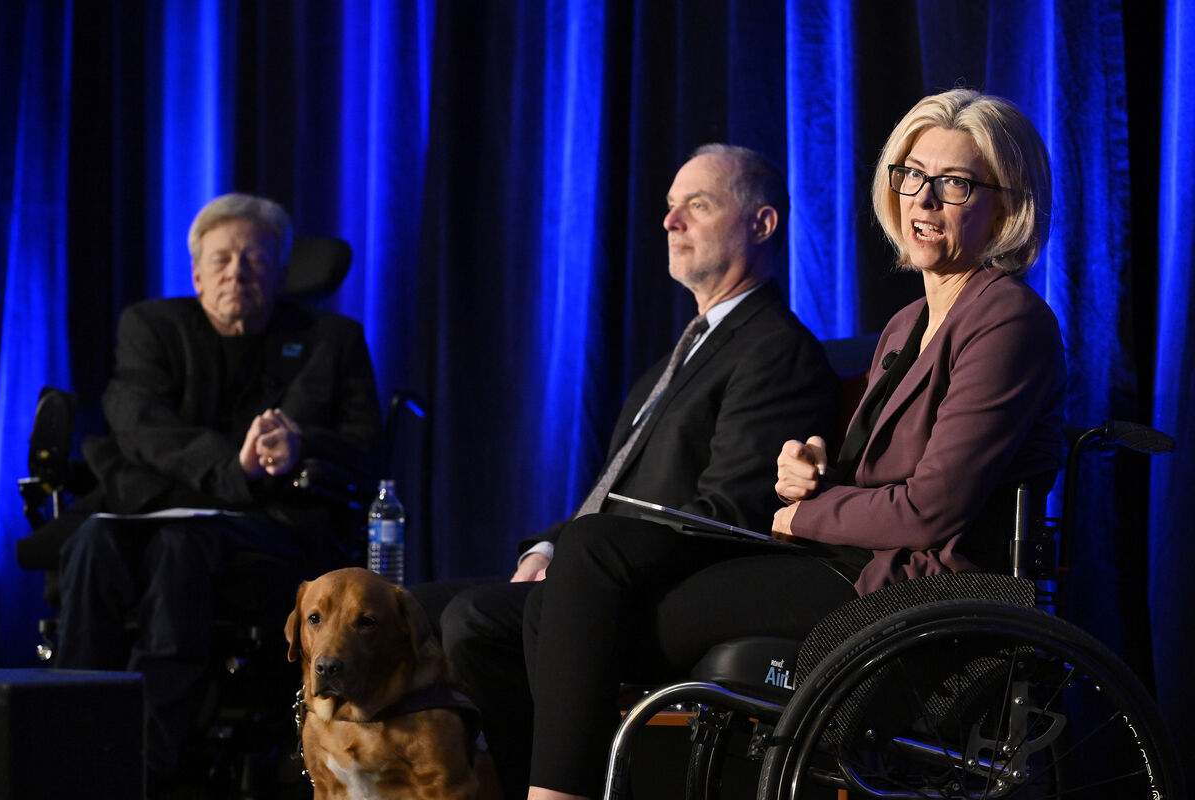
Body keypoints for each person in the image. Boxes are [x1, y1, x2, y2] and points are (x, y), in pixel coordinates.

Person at [523, 89, 1066, 800]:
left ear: (1009, 204)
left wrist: (804, 515)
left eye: (954, 184)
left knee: (592, 582)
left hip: (918, 590)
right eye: (910, 175)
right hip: (851, 563)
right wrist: (809, 470)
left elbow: (934, 506)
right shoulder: (906, 325)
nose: (923, 200)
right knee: (573, 580)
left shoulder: (1009, 320)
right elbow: (867, 474)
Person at [409, 144, 840, 797]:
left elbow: (733, 513)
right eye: (669, 208)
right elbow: (613, 496)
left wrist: (586, 555)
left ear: (763, 224)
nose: (670, 223)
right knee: (402, 610)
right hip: (597, 569)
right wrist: (554, 545)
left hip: (660, 582)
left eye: (697, 205)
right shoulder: (674, 361)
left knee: (475, 619)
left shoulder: (775, 350)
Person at [49, 193, 381, 786]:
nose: (237, 273)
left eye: (254, 260)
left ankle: (151, 765)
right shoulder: (150, 327)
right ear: (197, 273)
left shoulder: (331, 340)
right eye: (223, 260)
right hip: (150, 509)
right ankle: (66, 746)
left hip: (273, 526)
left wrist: (302, 447)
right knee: (95, 540)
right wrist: (236, 465)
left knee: (181, 547)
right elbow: (139, 426)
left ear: (280, 272)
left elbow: (365, 447)